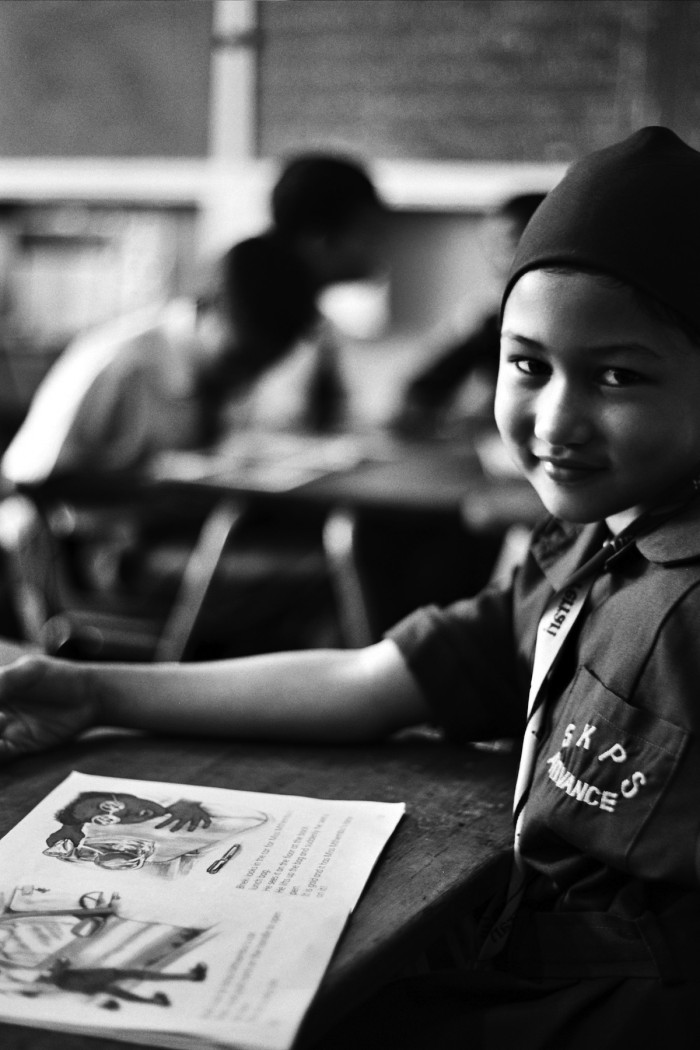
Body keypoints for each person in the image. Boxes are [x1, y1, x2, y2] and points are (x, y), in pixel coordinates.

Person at [2, 125, 700, 1047]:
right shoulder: (584, 551)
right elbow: (376, 676)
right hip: (511, 944)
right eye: (528, 364)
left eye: (618, 375)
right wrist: (95, 691)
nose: (555, 419)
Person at [1, 153, 386, 484]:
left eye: (255, 370)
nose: (244, 381)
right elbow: (29, 482)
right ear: (204, 305)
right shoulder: (123, 367)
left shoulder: (240, 358)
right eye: (238, 363)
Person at [392, 192, 546, 438]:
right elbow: (425, 387)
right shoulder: (490, 317)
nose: (494, 260)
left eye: (508, 245)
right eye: (489, 247)